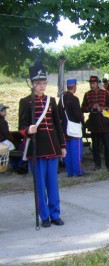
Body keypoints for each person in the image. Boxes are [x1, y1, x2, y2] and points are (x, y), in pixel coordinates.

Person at [19, 61, 66, 227]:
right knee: (40, 185)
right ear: (32, 84)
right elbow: (21, 126)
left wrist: (62, 146)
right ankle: (44, 216)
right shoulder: (25, 102)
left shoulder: (51, 101)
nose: (42, 86)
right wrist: (28, 130)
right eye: (39, 83)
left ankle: (55, 214)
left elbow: (58, 125)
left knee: (53, 184)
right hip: (36, 149)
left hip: (52, 146)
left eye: (44, 82)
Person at [82, 75, 109, 171]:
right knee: (95, 145)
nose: (92, 85)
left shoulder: (105, 93)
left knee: (107, 145)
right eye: (91, 83)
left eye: (94, 83)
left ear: (97, 83)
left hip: (104, 121)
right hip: (94, 121)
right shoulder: (87, 94)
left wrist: (104, 108)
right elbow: (83, 108)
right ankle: (97, 164)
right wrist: (91, 107)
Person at [58, 79, 85, 177]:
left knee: (67, 152)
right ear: (74, 87)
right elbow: (78, 114)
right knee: (76, 152)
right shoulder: (74, 99)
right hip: (74, 129)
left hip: (64, 129)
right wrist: (82, 120)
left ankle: (70, 172)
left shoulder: (61, 99)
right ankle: (77, 171)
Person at [0, 104, 26, 173]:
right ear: (1, 112)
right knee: (19, 147)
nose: (5, 111)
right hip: (3, 142)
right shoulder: (2, 122)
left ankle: (14, 166)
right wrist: (13, 139)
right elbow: (6, 134)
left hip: (2, 142)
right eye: (4, 110)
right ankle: (19, 166)